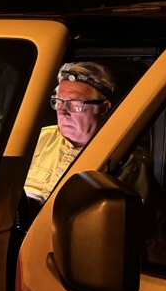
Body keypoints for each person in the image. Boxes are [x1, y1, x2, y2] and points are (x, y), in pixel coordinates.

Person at [24, 62, 116, 203]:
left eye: (75, 104)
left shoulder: (123, 157)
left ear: (103, 109)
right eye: (59, 101)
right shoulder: (36, 139)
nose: (63, 112)